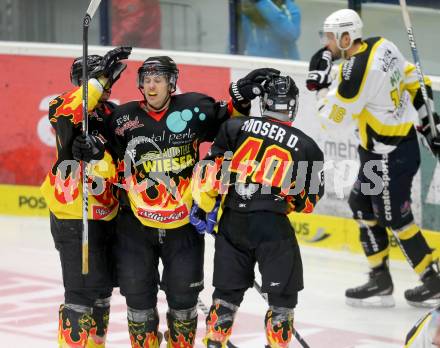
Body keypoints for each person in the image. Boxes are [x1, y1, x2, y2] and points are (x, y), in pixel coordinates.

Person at [74, 55, 279, 347]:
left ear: (172, 83)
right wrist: (89, 147)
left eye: (158, 79)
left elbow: (232, 118)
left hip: (183, 226)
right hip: (135, 227)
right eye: (146, 79)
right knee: (138, 299)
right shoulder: (122, 118)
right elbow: (98, 146)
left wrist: (241, 94)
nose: (151, 85)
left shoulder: (194, 108)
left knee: (183, 300)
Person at [306, 8, 440, 308]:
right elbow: (413, 77)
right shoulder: (382, 44)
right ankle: (380, 277)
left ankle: (433, 280)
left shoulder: (357, 76)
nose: (325, 43)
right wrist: (428, 119)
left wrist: (321, 87)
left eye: (329, 37)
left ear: (345, 37)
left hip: (391, 156)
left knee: (395, 217)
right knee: (362, 203)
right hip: (377, 152)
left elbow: (332, 119)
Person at [191, 74, 324, 347]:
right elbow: (307, 204)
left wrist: (206, 208)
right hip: (272, 228)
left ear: (264, 102)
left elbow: (208, 176)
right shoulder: (308, 146)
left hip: (233, 224)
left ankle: (214, 342)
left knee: (225, 298)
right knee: (282, 303)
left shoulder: (235, 127)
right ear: (293, 105)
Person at [40, 46, 131, 347]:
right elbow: (74, 107)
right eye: (99, 80)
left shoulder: (114, 115)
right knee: (80, 295)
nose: (107, 86)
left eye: (109, 80)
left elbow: (121, 165)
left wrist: (99, 157)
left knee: (102, 292)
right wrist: (99, 78)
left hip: (107, 212)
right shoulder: (62, 106)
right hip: (73, 213)